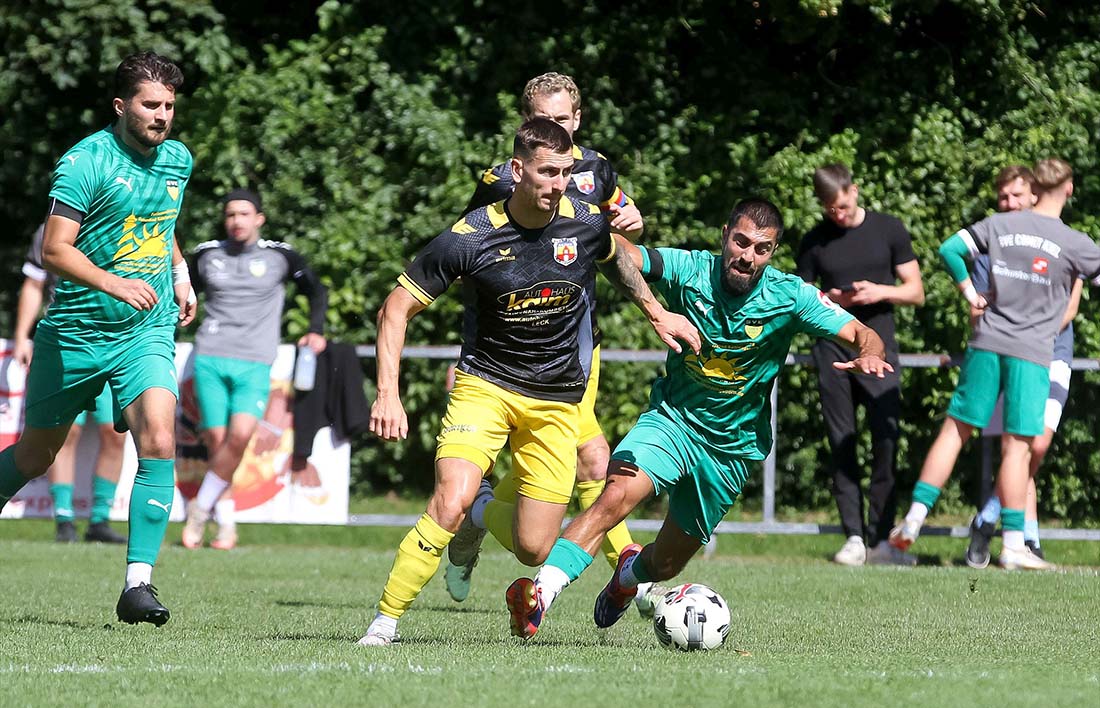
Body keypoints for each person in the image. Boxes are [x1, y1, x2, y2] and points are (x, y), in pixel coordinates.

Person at [357, 118, 699, 646]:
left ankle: (480, 511)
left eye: (565, 172)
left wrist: (656, 312)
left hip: (557, 399)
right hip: (485, 386)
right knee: (449, 497)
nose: (558, 183)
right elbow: (395, 308)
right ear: (518, 170)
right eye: (546, 172)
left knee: (535, 549)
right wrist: (387, 393)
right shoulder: (471, 236)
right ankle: (385, 622)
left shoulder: (585, 223)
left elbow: (619, 262)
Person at [504, 198, 893, 640]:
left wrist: (869, 354)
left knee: (667, 562)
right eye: (741, 241)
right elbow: (627, 255)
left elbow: (863, 332)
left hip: (731, 449)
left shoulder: (790, 296)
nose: (747, 256)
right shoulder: (689, 269)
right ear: (725, 235)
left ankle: (628, 576)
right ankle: (541, 595)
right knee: (616, 494)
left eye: (761, 249)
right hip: (673, 422)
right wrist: (603, 234)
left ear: (773, 252)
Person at [0, 51, 195, 625]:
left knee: (159, 435)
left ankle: (139, 585)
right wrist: (116, 282)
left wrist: (179, 275)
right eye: (150, 104)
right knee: (37, 454)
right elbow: (54, 249)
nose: (162, 116)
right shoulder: (84, 162)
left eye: (169, 106)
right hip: (76, 334)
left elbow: (163, 224)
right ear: (121, 105)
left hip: (146, 329)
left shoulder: (177, 159)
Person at [443, 72, 649, 607]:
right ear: (524, 124)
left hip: (581, 338)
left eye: (561, 119)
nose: (552, 127)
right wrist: (466, 351)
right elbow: (473, 267)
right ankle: (631, 577)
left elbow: (617, 238)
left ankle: (481, 516)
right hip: (513, 349)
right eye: (541, 119)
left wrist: (634, 222)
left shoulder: (599, 170)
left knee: (579, 464)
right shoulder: (500, 181)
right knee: (593, 458)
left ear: (577, 120)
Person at [890, 158, 1100, 570]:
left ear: (1034, 188)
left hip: (987, 342)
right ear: (1070, 189)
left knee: (955, 429)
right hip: (1032, 352)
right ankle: (1013, 544)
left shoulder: (999, 225)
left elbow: (950, 249)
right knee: (1017, 449)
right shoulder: (1074, 242)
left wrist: (970, 293)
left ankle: (914, 518)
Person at [181, 189, 328, 550]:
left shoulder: (281, 255)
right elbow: (180, 292)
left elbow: (317, 290)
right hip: (211, 357)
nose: (237, 221)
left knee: (241, 436)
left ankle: (200, 508)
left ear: (259, 218)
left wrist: (316, 329)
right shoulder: (204, 255)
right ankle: (226, 526)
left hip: (255, 362)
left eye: (244, 214)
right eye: (231, 215)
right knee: (216, 442)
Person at [796, 164, 924, 566]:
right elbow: (801, 298)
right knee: (842, 440)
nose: (838, 213)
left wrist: (877, 292)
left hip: (880, 346)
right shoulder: (814, 241)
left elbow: (916, 291)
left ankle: (882, 539)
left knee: (885, 438)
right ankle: (853, 536)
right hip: (832, 348)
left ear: (854, 190)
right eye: (829, 208)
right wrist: (831, 299)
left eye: (842, 204)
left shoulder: (889, 229)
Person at [965, 165, 1082, 568]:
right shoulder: (993, 240)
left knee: (1038, 443)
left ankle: (986, 520)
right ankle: (1026, 541)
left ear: (1035, 195)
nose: (1010, 203)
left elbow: (1071, 305)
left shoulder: (1068, 241)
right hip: (1006, 352)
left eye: (1018, 195)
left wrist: (1031, 330)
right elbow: (977, 305)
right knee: (1017, 448)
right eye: (1004, 198)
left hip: (1051, 351)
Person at [14, 224, 128, 544]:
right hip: (66, 341)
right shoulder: (51, 227)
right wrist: (23, 335)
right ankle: (64, 520)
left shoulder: (124, 218)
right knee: (64, 432)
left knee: (114, 433)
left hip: (114, 341)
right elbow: (34, 284)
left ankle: (99, 522)